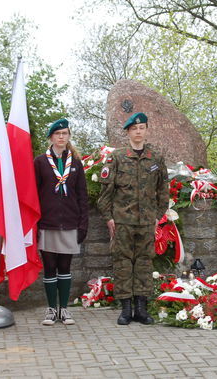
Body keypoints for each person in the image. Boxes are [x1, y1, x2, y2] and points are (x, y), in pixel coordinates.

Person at [97, 112, 169, 325]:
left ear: (146, 130)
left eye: (142, 128)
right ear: (128, 132)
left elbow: (163, 189)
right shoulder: (117, 157)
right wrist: (108, 217)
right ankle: (126, 309)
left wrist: (158, 215)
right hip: (123, 220)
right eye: (134, 129)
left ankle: (142, 308)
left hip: (147, 221)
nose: (138, 132)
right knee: (123, 263)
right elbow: (106, 191)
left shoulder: (155, 158)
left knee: (144, 263)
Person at [34, 119, 89, 325]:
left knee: (65, 267)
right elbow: (33, 195)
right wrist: (35, 224)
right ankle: (50, 310)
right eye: (57, 134)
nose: (61, 137)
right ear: (51, 137)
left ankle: (64, 309)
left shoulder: (75, 163)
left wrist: (83, 224)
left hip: (69, 223)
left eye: (65, 133)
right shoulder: (40, 162)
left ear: (69, 136)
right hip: (47, 223)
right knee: (49, 266)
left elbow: (82, 196)